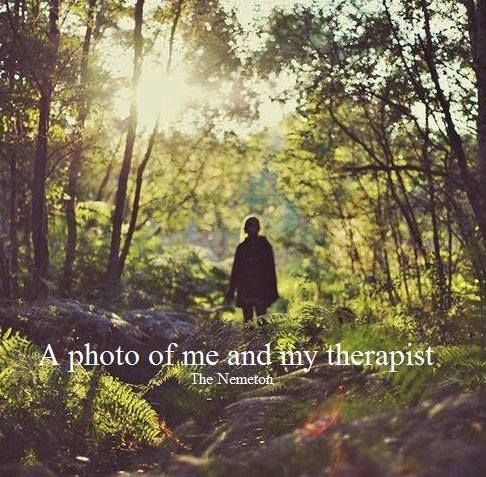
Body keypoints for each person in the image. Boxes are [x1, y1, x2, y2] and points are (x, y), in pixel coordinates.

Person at [225, 216, 279, 323]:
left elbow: (270, 270)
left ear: (258, 228)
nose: (252, 229)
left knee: (262, 321)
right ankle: (250, 340)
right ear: (245, 229)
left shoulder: (265, 246)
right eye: (249, 226)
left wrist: (272, 290)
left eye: (254, 226)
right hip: (246, 289)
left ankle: (264, 340)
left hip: (261, 289)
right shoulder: (242, 248)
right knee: (248, 322)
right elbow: (236, 270)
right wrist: (231, 290)